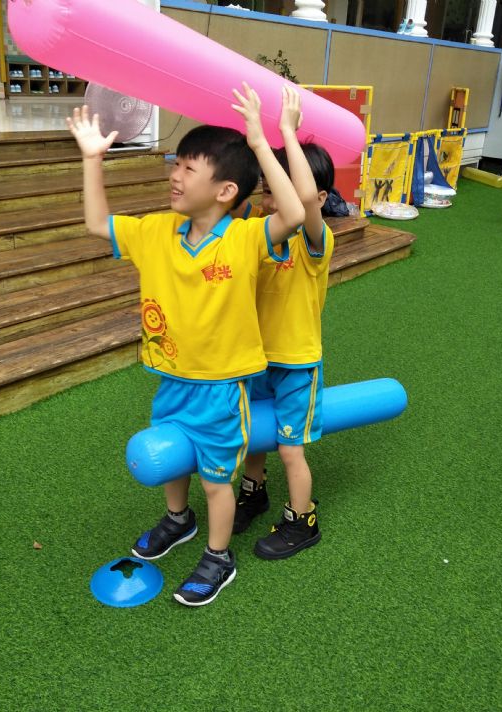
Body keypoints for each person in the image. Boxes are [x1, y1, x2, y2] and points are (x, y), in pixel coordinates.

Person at [66, 83, 306, 606]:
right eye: (175, 164)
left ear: (225, 191)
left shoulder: (244, 238)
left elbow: (294, 215)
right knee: (174, 463)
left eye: (189, 168)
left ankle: (219, 556)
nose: (175, 175)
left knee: (217, 480)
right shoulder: (156, 231)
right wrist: (91, 159)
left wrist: (260, 141)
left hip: (221, 388)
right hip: (171, 377)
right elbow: (96, 223)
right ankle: (179, 520)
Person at [232, 100, 335, 561]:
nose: (275, 200)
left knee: (290, 449)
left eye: (286, 190)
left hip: (296, 363)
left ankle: (302, 520)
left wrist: (287, 134)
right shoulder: (258, 229)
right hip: (255, 357)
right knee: (253, 438)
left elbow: (304, 200)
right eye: (270, 189)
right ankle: (253, 492)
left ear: (320, 198)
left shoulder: (315, 240)